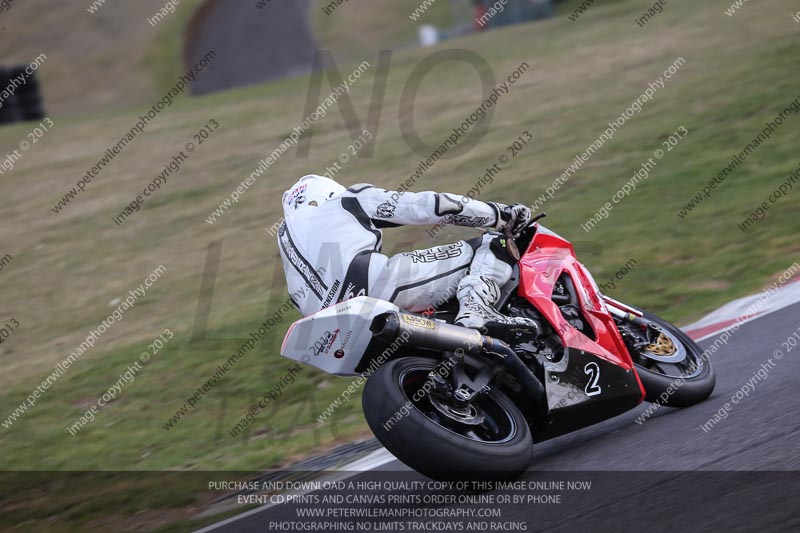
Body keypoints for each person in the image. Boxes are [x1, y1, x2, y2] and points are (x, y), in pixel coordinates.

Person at [277, 174, 534, 330]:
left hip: (336, 328)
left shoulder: (289, 253)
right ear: (329, 192)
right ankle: (476, 311)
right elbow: (431, 206)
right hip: (377, 287)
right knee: (492, 244)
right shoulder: (345, 201)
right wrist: (500, 215)